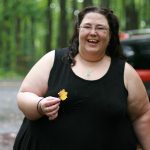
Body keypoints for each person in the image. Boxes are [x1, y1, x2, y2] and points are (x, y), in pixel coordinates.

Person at [13, 6, 150, 150]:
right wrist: (39, 105)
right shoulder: (53, 60)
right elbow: (24, 95)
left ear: (110, 35)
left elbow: (142, 116)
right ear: (78, 31)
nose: (93, 32)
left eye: (100, 28)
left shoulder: (125, 72)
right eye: (87, 26)